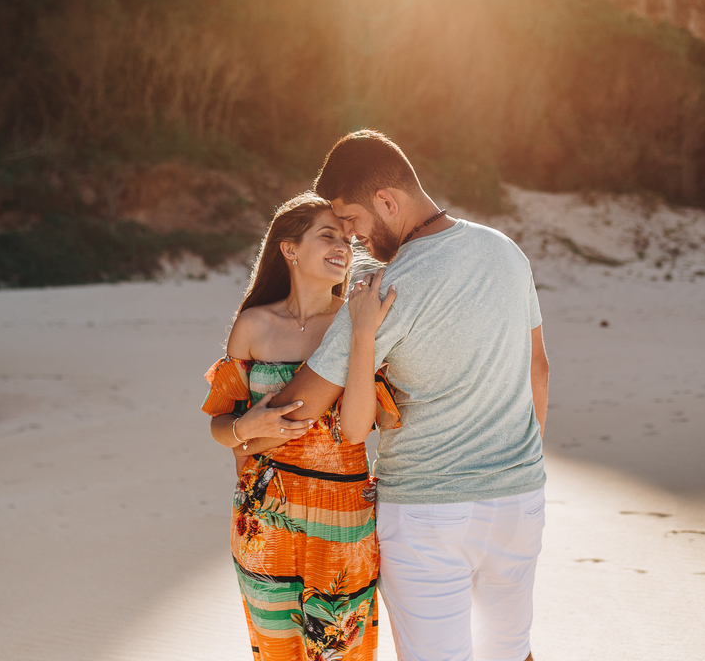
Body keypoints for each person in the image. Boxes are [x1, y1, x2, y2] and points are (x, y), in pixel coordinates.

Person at [263, 130, 550, 661]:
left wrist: (237, 422)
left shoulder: (394, 283)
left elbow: (300, 405)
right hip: (520, 500)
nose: (352, 241)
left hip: (428, 514)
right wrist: (513, 465)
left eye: (350, 222)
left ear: (387, 202)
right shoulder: (505, 250)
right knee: (510, 653)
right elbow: (538, 370)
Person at [202, 192, 400, 661]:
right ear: (289, 249)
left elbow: (355, 431)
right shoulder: (253, 325)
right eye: (327, 235)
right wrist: (244, 426)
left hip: (344, 513)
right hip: (265, 515)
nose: (343, 247)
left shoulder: (354, 320)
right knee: (276, 653)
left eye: (347, 239)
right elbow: (220, 425)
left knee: (342, 653)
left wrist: (362, 335)